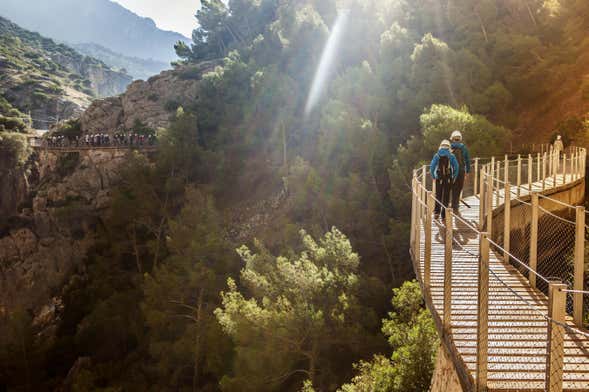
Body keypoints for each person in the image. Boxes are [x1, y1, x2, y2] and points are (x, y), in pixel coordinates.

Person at [430, 139, 459, 219]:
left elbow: (432, 167)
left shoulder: (437, 155)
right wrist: (454, 177)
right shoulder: (451, 155)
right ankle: (444, 215)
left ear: (441, 146)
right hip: (448, 178)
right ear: (448, 147)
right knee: (446, 196)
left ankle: (436, 212)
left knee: (438, 195)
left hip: (439, 178)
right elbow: (456, 167)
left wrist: (433, 176)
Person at [450, 130, 471, 213]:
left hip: (452, 171)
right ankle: (455, 206)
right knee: (459, 187)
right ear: (460, 139)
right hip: (461, 171)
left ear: (452, 139)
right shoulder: (463, 147)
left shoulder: (449, 147)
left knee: (453, 187)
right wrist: (468, 171)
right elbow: (467, 160)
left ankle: (453, 205)